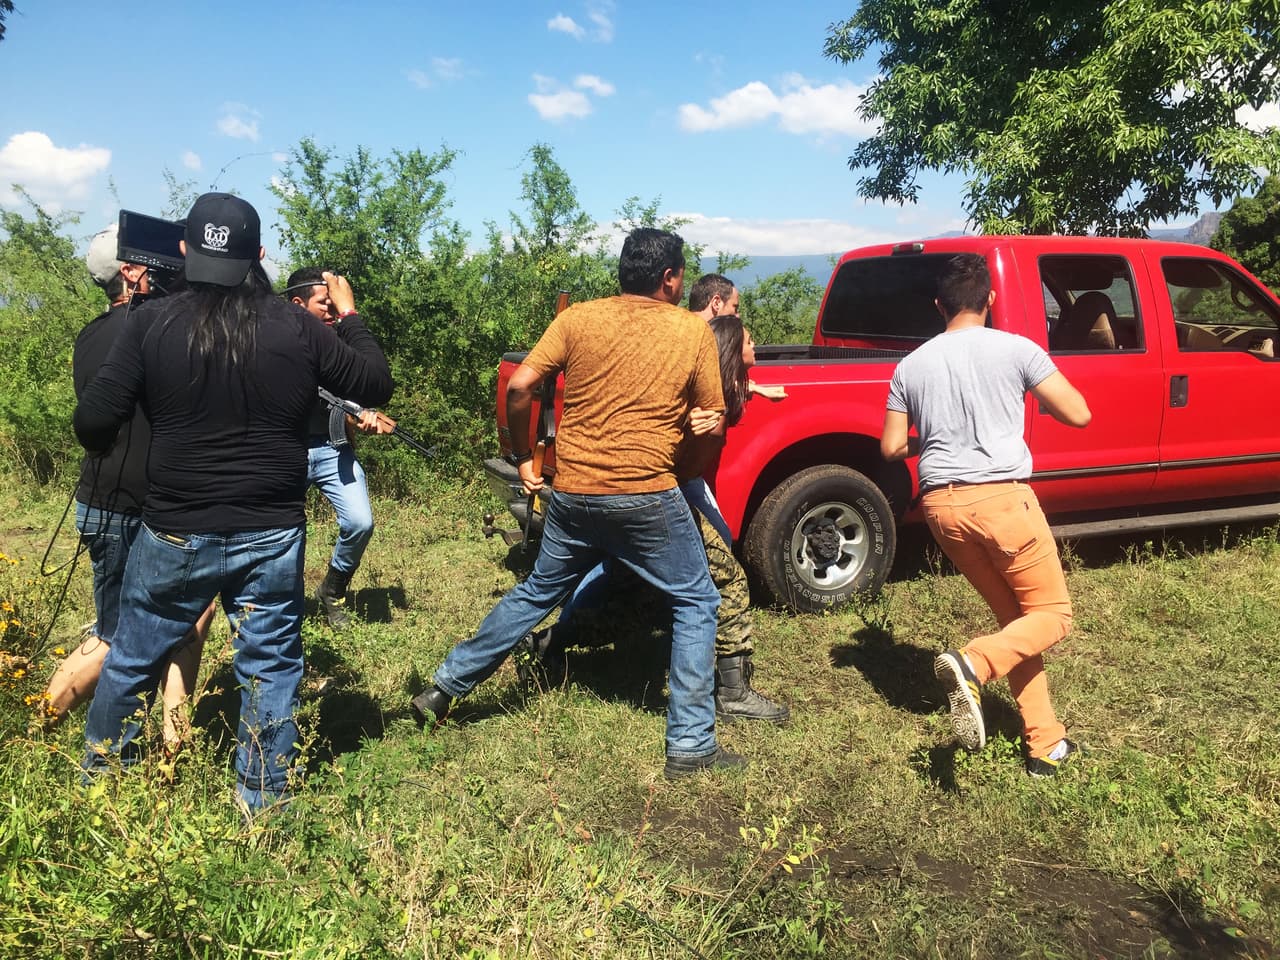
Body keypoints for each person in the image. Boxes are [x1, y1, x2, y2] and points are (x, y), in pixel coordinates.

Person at [74, 193, 394, 813]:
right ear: (259, 255)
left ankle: (101, 786)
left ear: (187, 251)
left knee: (133, 655)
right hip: (270, 529)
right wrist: (349, 314)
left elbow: (92, 424)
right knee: (270, 666)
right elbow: (373, 382)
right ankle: (263, 805)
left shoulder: (148, 324)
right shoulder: (299, 326)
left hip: (172, 529)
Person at [411, 228, 744, 778]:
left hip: (572, 491)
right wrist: (685, 458)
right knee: (697, 600)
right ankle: (690, 743)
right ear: (669, 278)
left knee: (537, 591)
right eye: (682, 273)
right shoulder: (692, 330)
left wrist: (524, 458)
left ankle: (445, 686)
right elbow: (709, 425)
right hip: (645, 493)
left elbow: (521, 387)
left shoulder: (578, 318)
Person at [880, 253, 1091, 777]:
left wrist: (933, 437)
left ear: (939, 305)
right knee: (1054, 616)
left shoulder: (912, 364)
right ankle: (975, 663)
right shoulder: (1018, 349)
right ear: (990, 301)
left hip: (942, 508)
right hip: (1003, 501)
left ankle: (1045, 743)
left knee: (1018, 624)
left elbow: (889, 448)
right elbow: (1079, 413)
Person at [532, 313, 790, 724]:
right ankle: (733, 693)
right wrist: (693, 425)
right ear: (729, 350)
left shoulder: (720, 388)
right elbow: (677, 444)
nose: (756, 349)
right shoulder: (697, 399)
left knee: (641, 595)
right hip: (660, 498)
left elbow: (728, 390)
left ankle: (554, 640)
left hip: (635, 494)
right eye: (750, 343)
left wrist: (752, 388)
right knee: (728, 577)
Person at [41, 224, 214, 752]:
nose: (170, 272)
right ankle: (40, 727)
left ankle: (170, 751)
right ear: (131, 273)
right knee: (119, 637)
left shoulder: (92, 333)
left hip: (112, 503)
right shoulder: (149, 331)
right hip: (132, 508)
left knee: (188, 622)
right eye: (157, 263)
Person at [283, 267, 393, 629]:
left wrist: (366, 416)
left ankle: (332, 589)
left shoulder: (337, 341)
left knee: (361, 522)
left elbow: (357, 392)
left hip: (333, 448)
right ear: (298, 304)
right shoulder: (277, 342)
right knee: (287, 533)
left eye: (334, 305)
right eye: (323, 304)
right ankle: (286, 604)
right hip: (288, 450)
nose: (331, 312)